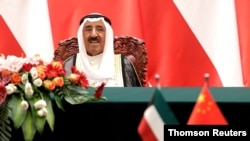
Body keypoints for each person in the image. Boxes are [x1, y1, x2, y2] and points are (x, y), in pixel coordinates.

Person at [64, 13, 142, 87]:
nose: (93, 34)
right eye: (88, 29)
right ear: (81, 36)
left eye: (100, 29)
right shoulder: (70, 64)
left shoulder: (123, 63)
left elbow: (134, 96)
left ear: (107, 35)